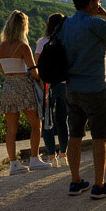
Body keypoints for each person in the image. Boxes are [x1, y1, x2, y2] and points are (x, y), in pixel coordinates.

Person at [62, 0, 106, 198]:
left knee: (75, 135)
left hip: (71, 89)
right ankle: (99, 185)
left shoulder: (65, 24)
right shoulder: (95, 23)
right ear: (92, 3)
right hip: (95, 89)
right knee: (100, 137)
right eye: (98, 0)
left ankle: (75, 182)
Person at [0, 10, 51, 175]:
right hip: (24, 87)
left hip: (8, 87)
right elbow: (33, 70)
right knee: (35, 124)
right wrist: (41, 80)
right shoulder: (23, 46)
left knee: (11, 128)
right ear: (22, 28)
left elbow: (4, 71)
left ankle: (14, 164)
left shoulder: (1, 47)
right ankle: (34, 159)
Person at [35, 13, 69, 168]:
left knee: (47, 121)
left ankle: (51, 157)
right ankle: (63, 155)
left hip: (47, 85)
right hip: (64, 83)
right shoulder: (66, 40)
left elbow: (37, 65)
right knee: (62, 121)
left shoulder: (42, 43)